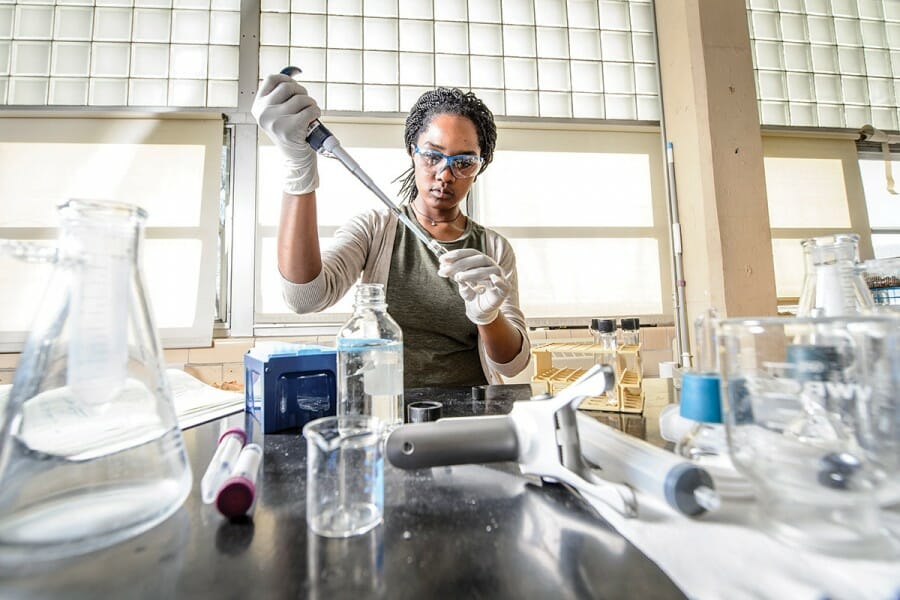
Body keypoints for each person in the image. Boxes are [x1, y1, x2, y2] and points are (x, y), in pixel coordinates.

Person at [252, 74, 530, 387]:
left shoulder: (493, 249)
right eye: (433, 156)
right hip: (385, 411)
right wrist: (297, 168)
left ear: (479, 168)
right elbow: (304, 297)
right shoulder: (375, 229)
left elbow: (512, 365)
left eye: (463, 162)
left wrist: (488, 317)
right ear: (412, 153)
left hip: (472, 417)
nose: (445, 174)